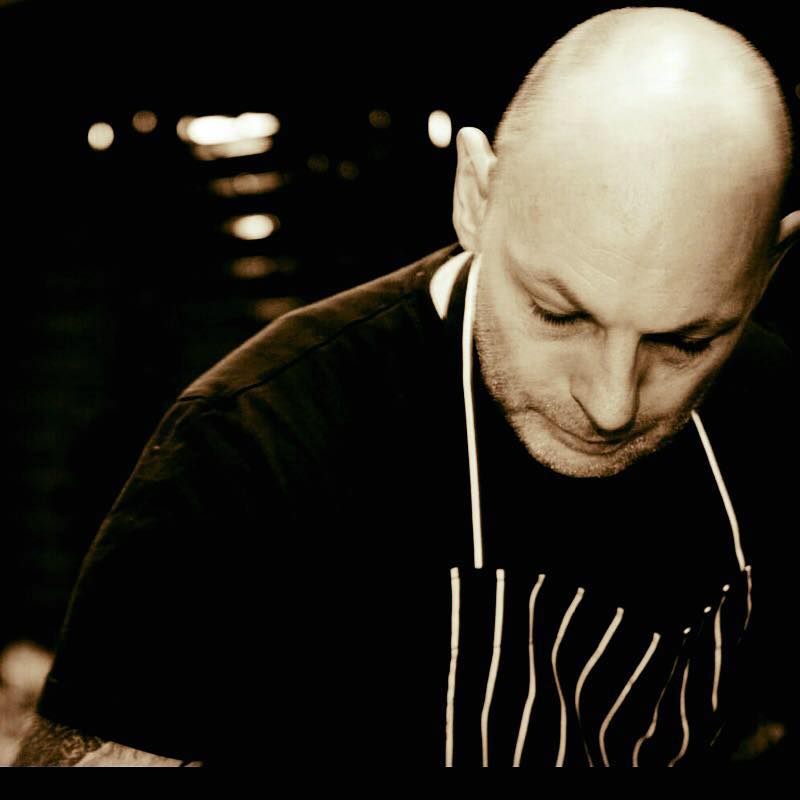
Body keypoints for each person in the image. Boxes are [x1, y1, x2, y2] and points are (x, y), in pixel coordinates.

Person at [15, 7, 799, 767]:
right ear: (476, 198)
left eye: (685, 343)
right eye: (558, 314)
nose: (611, 402)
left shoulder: (781, 411)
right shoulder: (252, 452)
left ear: (770, 265)